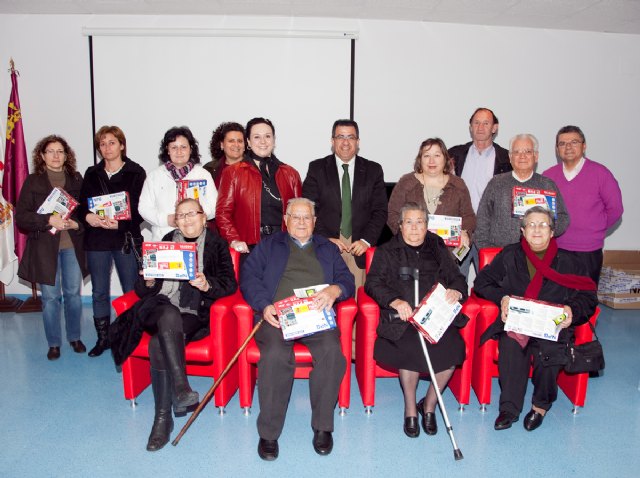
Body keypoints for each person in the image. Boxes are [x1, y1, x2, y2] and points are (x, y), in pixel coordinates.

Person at [240, 197, 355, 460]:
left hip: (316, 316)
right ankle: (269, 433)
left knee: (332, 353)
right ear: (286, 220)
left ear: (315, 222)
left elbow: (346, 279)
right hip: (279, 315)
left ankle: (323, 427)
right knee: (274, 356)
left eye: (307, 217)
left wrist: (336, 289)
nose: (302, 222)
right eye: (296, 217)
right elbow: (248, 277)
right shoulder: (269, 245)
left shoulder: (327, 248)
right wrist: (264, 305)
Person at [126, 198, 237, 451]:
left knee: (158, 344)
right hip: (158, 306)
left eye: (191, 214)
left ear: (203, 217)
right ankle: (181, 387)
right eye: (181, 215)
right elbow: (141, 289)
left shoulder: (217, 244)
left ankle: (162, 420)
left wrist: (207, 285)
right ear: (175, 221)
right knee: (167, 313)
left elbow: (230, 284)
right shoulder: (165, 241)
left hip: (192, 312)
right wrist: (149, 281)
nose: (186, 219)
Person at [474, 206, 597, 432]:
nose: (537, 229)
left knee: (549, 351)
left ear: (552, 231)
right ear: (522, 230)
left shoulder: (569, 261)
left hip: (552, 325)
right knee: (510, 346)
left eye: (543, 225)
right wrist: (503, 298)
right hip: (519, 322)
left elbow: (588, 296)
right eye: (531, 224)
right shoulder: (510, 255)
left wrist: (572, 310)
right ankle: (509, 408)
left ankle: (540, 406)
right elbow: (481, 283)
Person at [365, 202, 467, 438]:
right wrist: (395, 301)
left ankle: (429, 404)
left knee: (452, 349)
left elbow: (456, 277)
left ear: (426, 225)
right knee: (409, 349)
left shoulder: (436, 245)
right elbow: (373, 283)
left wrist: (456, 291)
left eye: (419, 222)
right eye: (408, 222)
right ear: (400, 226)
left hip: (434, 317)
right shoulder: (387, 250)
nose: (414, 227)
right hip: (404, 320)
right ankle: (410, 408)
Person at [16, 135, 89, 360]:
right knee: (50, 298)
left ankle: (75, 337)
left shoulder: (76, 179)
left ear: (66, 156)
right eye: (51, 151)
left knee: (73, 295)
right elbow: (22, 217)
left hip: (71, 246)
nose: (56, 156)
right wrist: (48, 219)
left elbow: (87, 211)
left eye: (60, 151)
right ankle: (54, 343)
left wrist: (77, 224)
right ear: (42, 155)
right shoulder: (33, 181)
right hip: (44, 249)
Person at [79, 125, 146, 357]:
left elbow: (141, 209)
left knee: (130, 290)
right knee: (99, 291)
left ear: (122, 145)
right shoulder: (91, 173)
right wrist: (88, 217)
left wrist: (121, 224)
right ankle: (103, 338)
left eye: (112, 142)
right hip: (97, 240)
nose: (107, 148)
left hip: (123, 239)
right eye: (102, 144)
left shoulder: (136, 172)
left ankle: (129, 336)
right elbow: (82, 205)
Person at [302, 119, 387, 289]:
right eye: (340, 137)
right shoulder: (317, 168)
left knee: (356, 297)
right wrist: (325, 239)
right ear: (332, 141)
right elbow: (309, 210)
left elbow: (380, 211)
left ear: (358, 141)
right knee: (327, 296)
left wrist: (366, 241)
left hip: (359, 247)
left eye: (351, 137)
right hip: (327, 245)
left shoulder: (373, 170)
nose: (346, 142)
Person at [543, 125, 623, 284]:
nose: (568, 147)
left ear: (584, 146)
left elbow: (615, 209)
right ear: (557, 149)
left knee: (585, 296)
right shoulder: (548, 176)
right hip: (556, 249)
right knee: (556, 296)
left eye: (574, 142)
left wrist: (596, 227)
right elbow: (543, 212)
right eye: (562, 143)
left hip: (588, 251)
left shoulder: (601, 173)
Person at [216, 117, 302, 255]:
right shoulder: (232, 173)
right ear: (248, 142)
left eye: (267, 136)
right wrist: (234, 239)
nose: (263, 141)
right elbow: (223, 213)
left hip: (284, 247)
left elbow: (301, 213)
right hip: (248, 249)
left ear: (274, 140)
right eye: (257, 137)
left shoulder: (290, 174)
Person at [475, 133, 570, 250]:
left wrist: (544, 229)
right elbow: (482, 219)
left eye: (528, 152)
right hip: (500, 254)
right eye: (517, 152)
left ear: (536, 156)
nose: (522, 156)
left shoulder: (547, 184)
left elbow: (563, 218)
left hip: (537, 254)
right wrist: (485, 249)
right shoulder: (496, 183)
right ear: (510, 157)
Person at [387, 138, 476, 262]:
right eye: (426, 155)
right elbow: (392, 214)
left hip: (447, 258)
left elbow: (469, 216)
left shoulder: (458, 184)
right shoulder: (406, 183)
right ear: (420, 159)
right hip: (411, 255)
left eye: (437, 155)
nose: (431, 161)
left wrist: (465, 232)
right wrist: (407, 236)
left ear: (445, 158)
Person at [448, 107, 512, 276]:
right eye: (476, 123)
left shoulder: (507, 159)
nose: (480, 127)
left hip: (490, 234)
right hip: (460, 232)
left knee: (490, 281)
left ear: (494, 128)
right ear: (470, 127)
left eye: (486, 123)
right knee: (454, 281)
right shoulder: (454, 154)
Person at [139, 126, 216, 241]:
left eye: (183, 147)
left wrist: (195, 216)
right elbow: (144, 208)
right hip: (163, 238)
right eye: (174, 147)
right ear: (167, 150)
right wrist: (166, 219)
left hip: (197, 238)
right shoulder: (154, 176)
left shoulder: (203, 175)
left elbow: (214, 206)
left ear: (191, 149)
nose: (179, 152)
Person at [203, 121, 246, 189]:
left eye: (240, 141)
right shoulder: (209, 169)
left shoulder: (254, 168)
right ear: (222, 145)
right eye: (231, 141)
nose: (236, 144)